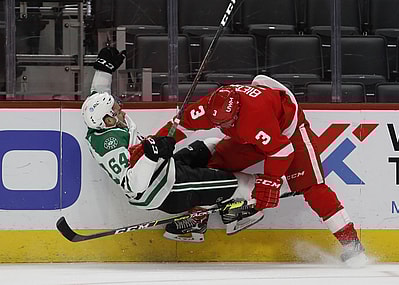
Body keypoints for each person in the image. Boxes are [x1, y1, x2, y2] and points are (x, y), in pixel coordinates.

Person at [156, 75, 369, 267]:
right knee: (216, 165)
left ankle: (353, 247)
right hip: (253, 135)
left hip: (289, 131)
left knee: (312, 187)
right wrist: (154, 144)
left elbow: (282, 150)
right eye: (219, 123)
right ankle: (199, 217)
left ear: (237, 111)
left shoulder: (255, 116)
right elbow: (180, 125)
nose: (223, 127)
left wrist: (271, 182)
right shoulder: (212, 106)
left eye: (228, 122)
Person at [80, 46, 264, 243]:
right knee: (249, 185)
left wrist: (104, 69)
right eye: (117, 111)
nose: (122, 111)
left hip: (166, 171)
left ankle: (198, 217)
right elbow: (134, 185)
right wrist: (152, 157)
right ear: (108, 120)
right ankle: (233, 216)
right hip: (167, 190)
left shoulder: (98, 122)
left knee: (210, 146)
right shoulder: (111, 144)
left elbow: (97, 95)